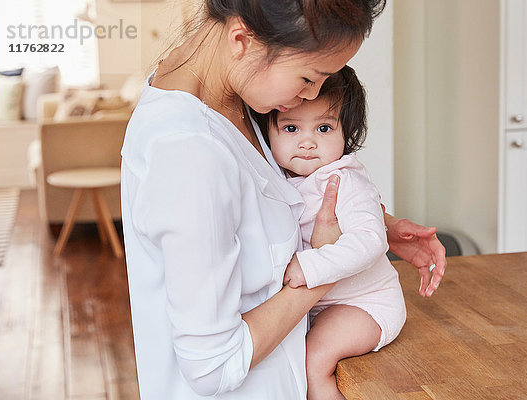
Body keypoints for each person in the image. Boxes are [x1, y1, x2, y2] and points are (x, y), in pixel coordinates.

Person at [120, 1, 446, 399]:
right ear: (242, 39)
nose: (311, 95)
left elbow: (271, 200)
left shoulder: (233, 93)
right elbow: (212, 367)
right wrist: (324, 268)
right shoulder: (188, 151)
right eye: (310, 77)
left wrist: (379, 225)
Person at [256, 65, 406, 399]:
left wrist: (310, 267)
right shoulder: (280, 178)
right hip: (320, 306)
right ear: (270, 134)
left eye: (324, 128)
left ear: (346, 134)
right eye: (291, 128)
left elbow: (370, 240)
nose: (307, 142)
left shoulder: (344, 180)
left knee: (314, 361)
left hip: (365, 304)